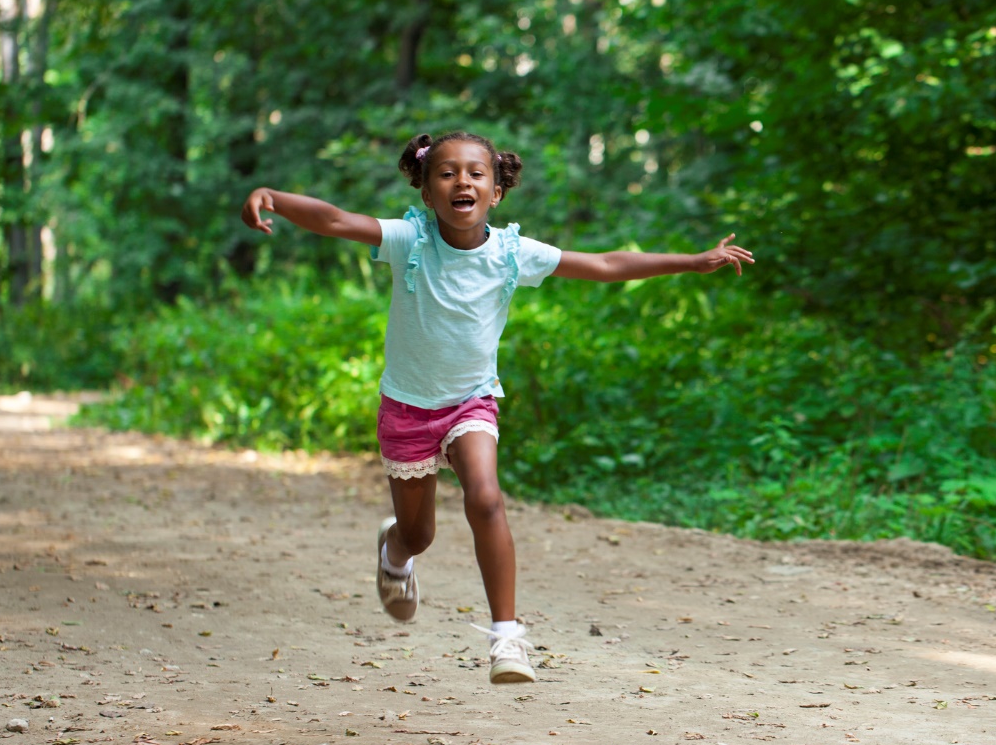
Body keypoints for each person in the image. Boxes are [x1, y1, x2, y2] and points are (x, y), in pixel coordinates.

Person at [241, 130, 753, 684]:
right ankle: (394, 554)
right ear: (427, 193)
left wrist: (692, 261)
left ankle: (507, 638)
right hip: (408, 408)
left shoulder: (513, 253)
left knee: (486, 498)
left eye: (476, 173)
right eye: (446, 173)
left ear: (496, 191)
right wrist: (273, 196)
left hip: (471, 402)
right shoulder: (407, 240)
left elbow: (606, 262)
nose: (462, 180)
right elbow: (336, 220)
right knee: (419, 536)